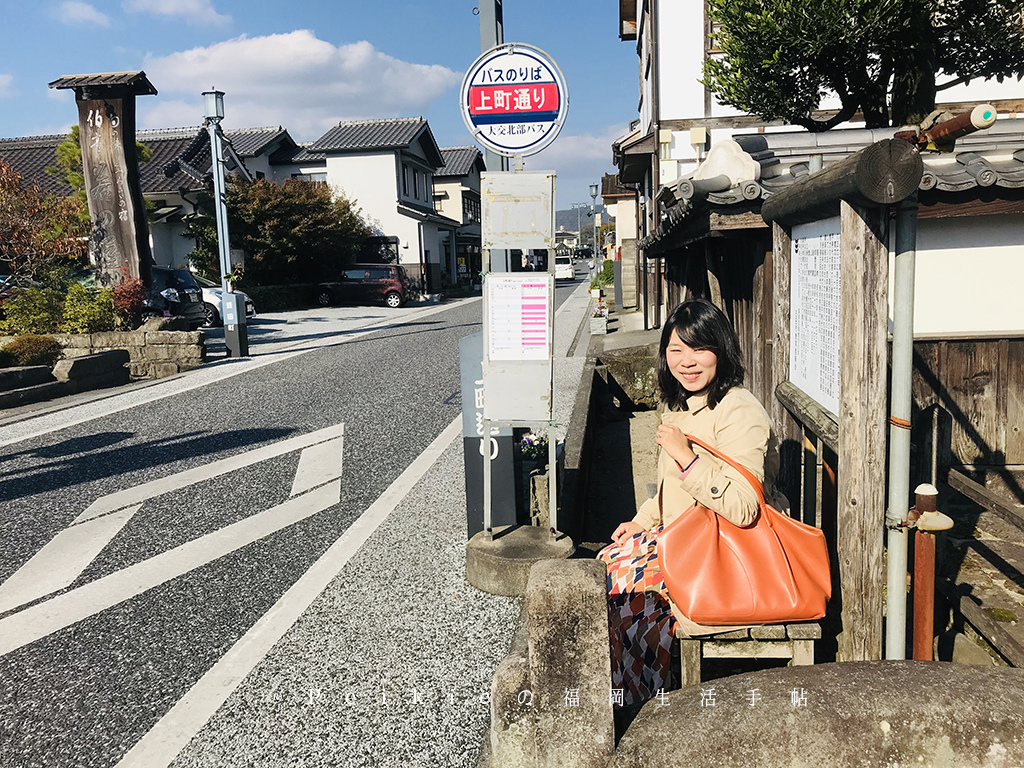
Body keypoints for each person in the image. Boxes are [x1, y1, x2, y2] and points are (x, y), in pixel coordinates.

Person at [596, 297, 784, 707]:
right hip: (684, 539)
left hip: (729, 555)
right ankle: (622, 691)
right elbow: (670, 487)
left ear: (721, 350)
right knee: (607, 565)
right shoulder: (677, 405)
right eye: (676, 349)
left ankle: (646, 711)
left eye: (699, 348)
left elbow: (743, 506)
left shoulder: (740, 410)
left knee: (629, 600)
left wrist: (688, 457)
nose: (687, 361)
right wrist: (643, 520)